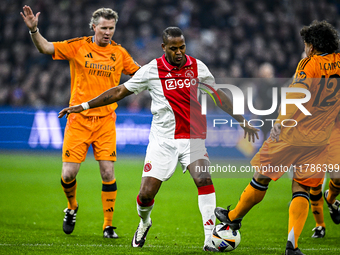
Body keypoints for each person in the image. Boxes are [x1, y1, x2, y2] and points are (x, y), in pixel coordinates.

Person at [58, 27, 259, 251]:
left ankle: (208, 238)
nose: (180, 52)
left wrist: (242, 120)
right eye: (174, 49)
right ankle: (144, 222)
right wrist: (83, 106)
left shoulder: (198, 67)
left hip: (193, 136)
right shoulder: (151, 70)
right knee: (145, 195)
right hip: (162, 141)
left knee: (203, 179)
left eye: (182, 47)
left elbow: (218, 95)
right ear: (164, 48)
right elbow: (118, 92)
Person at [215, 20, 340, 255]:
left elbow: (296, 95)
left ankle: (233, 218)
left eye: (305, 44)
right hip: (320, 140)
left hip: (293, 134)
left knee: (261, 177)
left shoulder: (309, 64)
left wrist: (281, 122)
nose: (305, 48)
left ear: (312, 46)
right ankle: (292, 246)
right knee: (301, 188)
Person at [20, 5, 140, 238]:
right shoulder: (78, 46)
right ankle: (72, 206)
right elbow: (45, 48)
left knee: (107, 172)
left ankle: (107, 225)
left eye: (111, 28)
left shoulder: (120, 53)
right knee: (68, 175)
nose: (108, 32)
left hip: (106, 120)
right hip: (78, 120)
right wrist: (34, 30)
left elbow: (138, 73)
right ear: (94, 27)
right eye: (104, 28)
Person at [310, 116, 340, 238]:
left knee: (338, 178)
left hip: (334, 133)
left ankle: (330, 199)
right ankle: (320, 225)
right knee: (314, 183)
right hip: (312, 135)